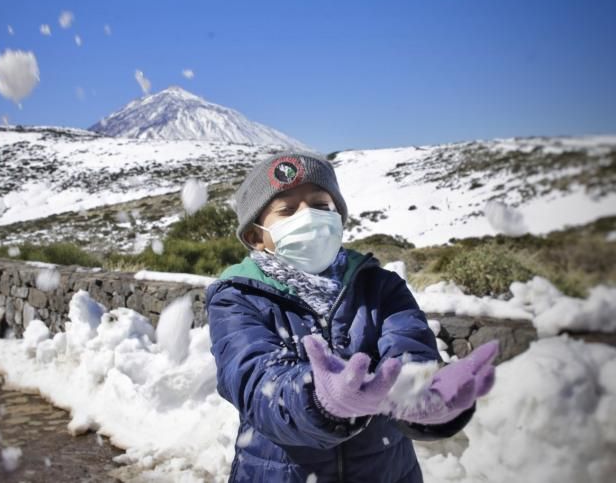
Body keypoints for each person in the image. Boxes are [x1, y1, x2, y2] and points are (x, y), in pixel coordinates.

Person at [205, 150, 498, 482]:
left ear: (338, 218)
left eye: (320, 206)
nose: (309, 216)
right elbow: (253, 382)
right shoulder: (238, 296)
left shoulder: (381, 286)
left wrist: (423, 397)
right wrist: (316, 400)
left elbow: (409, 352)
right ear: (256, 236)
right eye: (287, 210)